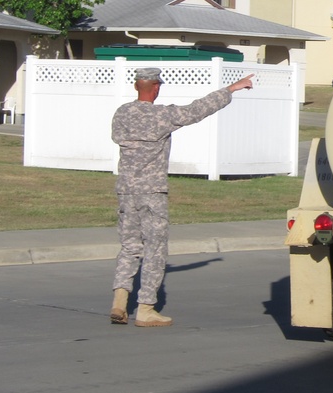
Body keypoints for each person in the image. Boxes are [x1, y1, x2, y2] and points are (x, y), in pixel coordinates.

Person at [109, 67, 255, 327]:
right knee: (154, 249)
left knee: (130, 247)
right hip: (152, 191)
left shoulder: (122, 113)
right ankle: (145, 309)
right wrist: (231, 89)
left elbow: (117, 137)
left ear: (136, 87)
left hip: (125, 190)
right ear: (156, 88)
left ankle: (119, 302)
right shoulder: (163, 115)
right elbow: (197, 110)